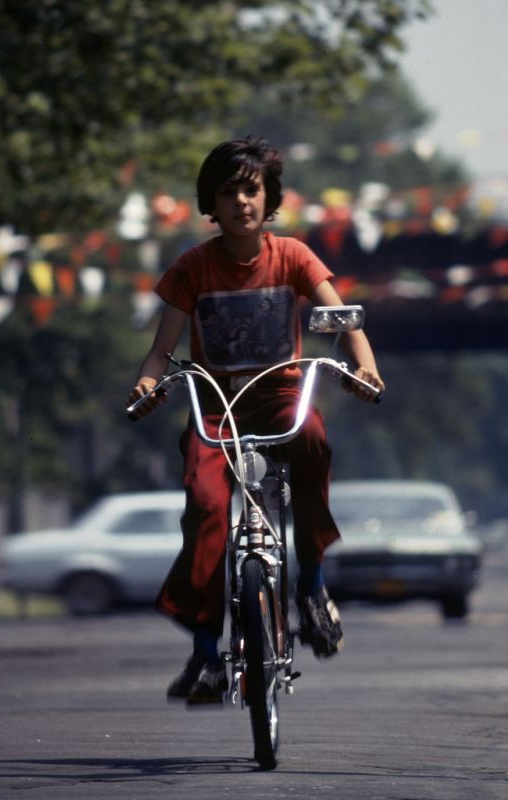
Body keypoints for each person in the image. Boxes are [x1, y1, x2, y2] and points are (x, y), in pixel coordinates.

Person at [126, 136, 385, 705]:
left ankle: (312, 589)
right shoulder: (191, 268)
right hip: (214, 405)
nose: (241, 201)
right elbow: (160, 351)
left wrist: (364, 367)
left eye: (252, 190)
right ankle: (204, 655)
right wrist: (148, 384)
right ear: (210, 204)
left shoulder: (292, 255)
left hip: (281, 399)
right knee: (206, 505)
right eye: (228, 192)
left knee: (314, 439)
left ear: (267, 198)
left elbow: (342, 317)